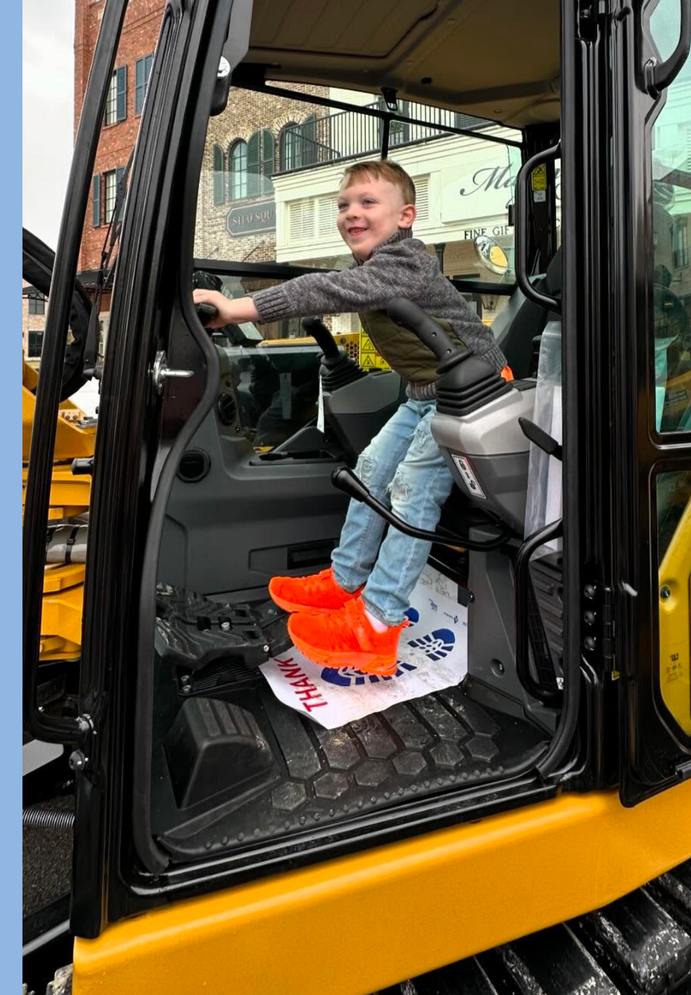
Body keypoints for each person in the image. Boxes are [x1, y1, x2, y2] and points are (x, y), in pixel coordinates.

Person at [192, 159, 507, 674]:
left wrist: (235, 308)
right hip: (427, 393)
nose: (351, 213)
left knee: (410, 489)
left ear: (406, 216)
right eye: (343, 205)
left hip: (474, 393)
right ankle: (345, 580)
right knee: (370, 473)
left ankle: (378, 625)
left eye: (367, 203)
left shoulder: (403, 263)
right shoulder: (374, 269)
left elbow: (323, 289)